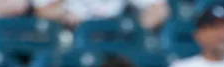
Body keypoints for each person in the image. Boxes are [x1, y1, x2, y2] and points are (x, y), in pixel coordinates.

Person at [32, 0, 169, 31]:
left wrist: (138, 29)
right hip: (74, 33)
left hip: (116, 35)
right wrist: (63, 14)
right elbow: (41, 11)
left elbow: (160, 9)